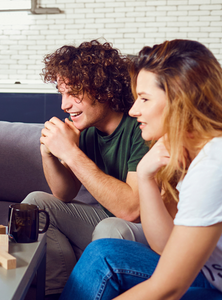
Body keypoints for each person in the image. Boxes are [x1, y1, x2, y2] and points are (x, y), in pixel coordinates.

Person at [60, 39, 222, 299]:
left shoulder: (213, 167)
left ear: (181, 101)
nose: (134, 110)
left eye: (144, 99)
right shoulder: (185, 157)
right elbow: (165, 246)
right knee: (102, 254)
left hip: (211, 285)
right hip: (208, 276)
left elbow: (168, 288)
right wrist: (145, 176)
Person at [21, 40, 150, 296]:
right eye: (61, 93)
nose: (64, 105)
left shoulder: (141, 127)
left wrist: (70, 152)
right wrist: (48, 152)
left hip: (145, 228)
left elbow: (132, 210)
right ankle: (59, 291)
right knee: (35, 203)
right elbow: (64, 194)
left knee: (109, 228)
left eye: (73, 93)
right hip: (109, 218)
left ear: (104, 89)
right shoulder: (89, 131)